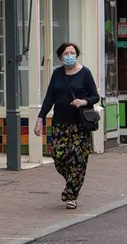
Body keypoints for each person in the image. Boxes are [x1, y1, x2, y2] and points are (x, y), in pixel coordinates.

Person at [34, 42, 100, 210]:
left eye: (72, 52)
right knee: (58, 156)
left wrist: (83, 101)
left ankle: (71, 195)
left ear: (76, 55)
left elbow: (95, 96)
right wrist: (40, 118)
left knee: (78, 161)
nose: (69, 55)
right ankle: (72, 180)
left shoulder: (85, 73)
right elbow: (49, 98)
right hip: (60, 124)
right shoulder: (57, 74)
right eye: (66, 53)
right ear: (60, 57)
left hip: (79, 125)